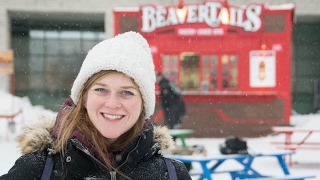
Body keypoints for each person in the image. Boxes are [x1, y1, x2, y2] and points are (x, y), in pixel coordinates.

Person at [0, 32, 191, 180]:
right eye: (101, 90)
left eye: (127, 92)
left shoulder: (172, 174)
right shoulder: (38, 170)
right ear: (83, 98)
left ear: (143, 105)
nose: (113, 104)